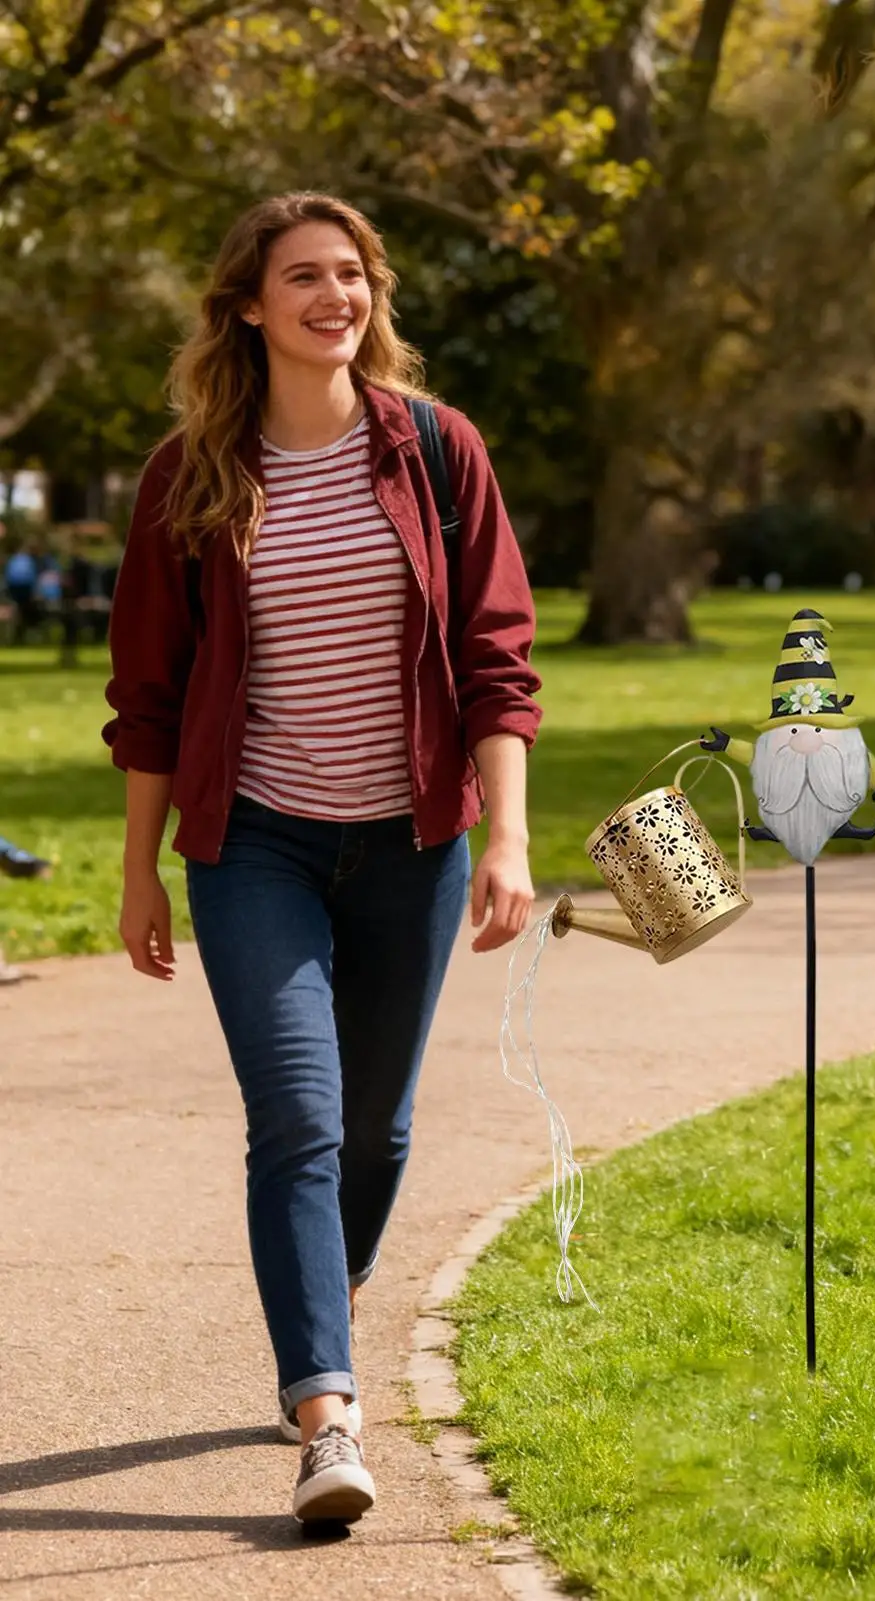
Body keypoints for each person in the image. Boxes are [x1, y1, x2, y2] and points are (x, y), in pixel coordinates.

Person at [103, 192, 541, 1526]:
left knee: (377, 1125)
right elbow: (150, 693)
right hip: (257, 843)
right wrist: (139, 867)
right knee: (298, 1116)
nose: (332, 296)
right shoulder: (190, 476)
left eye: (350, 273)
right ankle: (327, 1416)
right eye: (301, 276)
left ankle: (319, 1307)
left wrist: (508, 834)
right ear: (248, 306)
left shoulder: (435, 449)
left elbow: (497, 657)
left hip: (413, 838)